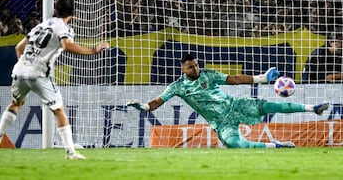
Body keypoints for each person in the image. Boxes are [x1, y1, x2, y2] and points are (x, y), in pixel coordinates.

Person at [0, 0, 110, 159]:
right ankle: (70, 152)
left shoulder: (41, 26)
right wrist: (94, 50)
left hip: (20, 70)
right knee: (59, 110)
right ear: (73, 13)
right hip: (39, 73)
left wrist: (26, 66)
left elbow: (18, 47)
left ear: (55, 10)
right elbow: (67, 45)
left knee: (16, 103)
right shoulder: (64, 27)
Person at [127, 54, 329, 149]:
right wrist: (143, 106)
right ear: (182, 69)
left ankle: (313, 108)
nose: (195, 69)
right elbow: (156, 102)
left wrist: (262, 78)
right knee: (234, 144)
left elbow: (233, 79)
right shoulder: (177, 87)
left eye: (196, 65)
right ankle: (276, 146)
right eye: (190, 67)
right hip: (220, 122)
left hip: (235, 105)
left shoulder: (208, 74)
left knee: (269, 105)